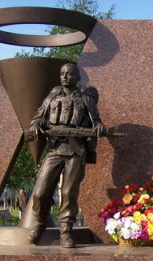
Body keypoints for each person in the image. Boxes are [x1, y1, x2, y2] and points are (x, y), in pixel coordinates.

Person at [27, 62, 105, 247]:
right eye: (62, 73)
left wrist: (99, 127)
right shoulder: (52, 96)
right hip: (55, 149)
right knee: (39, 192)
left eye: (69, 74)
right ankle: (40, 223)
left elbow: (96, 121)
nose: (64, 77)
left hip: (76, 150)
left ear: (77, 78)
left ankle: (65, 232)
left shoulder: (86, 98)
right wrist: (36, 126)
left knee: (69, 193)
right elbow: (38, 118)